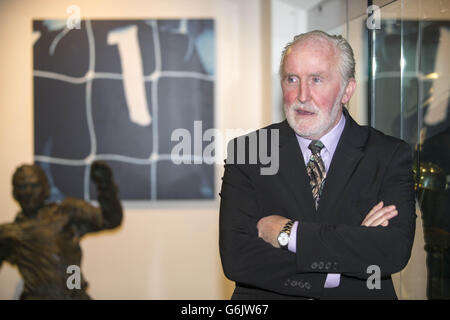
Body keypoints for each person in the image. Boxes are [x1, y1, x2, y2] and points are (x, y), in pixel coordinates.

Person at [219, 30, 416, 299]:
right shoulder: (249, 152)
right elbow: (238, 258)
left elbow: (392, 251)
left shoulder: (388, 155)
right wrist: (342, 262)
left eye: (316, 79)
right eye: (292, 79)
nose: (302, 95)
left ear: (347, 90)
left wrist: (289, 233)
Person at [0, 161, 122, 299]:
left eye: (34, 185)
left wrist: (105, 186)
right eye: (22, 186)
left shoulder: (67, 212)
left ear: (46, 188)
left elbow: (111, 220)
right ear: (14, 192)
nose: (28, 192)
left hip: (75, 293)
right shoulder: (9, 233)